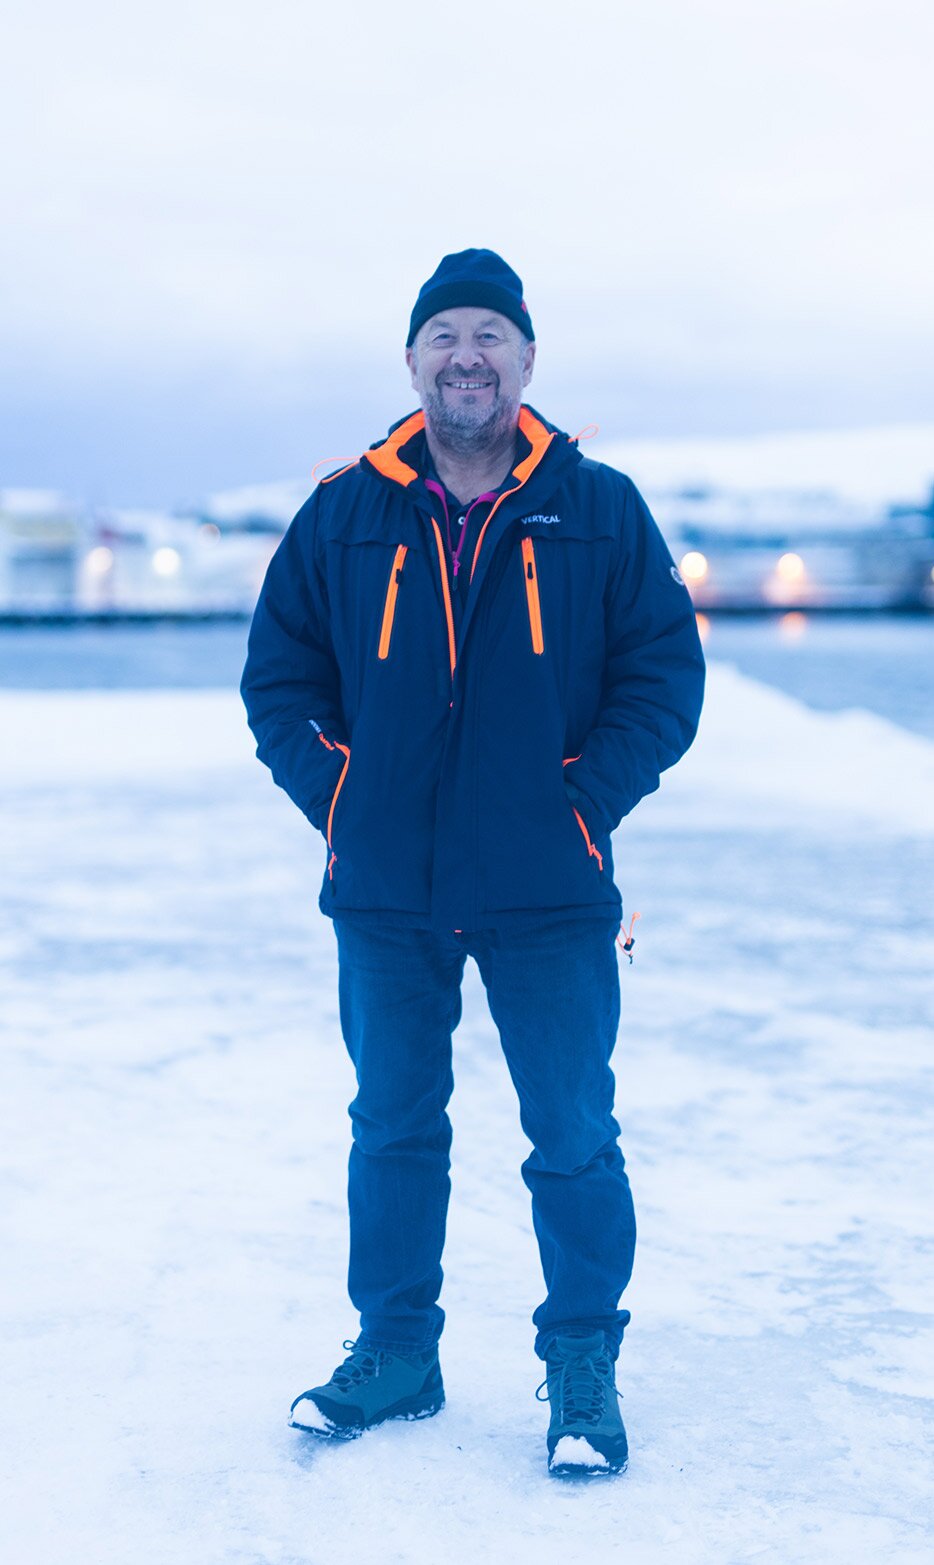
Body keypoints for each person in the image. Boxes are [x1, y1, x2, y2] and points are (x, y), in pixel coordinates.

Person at [240, 248, 705, 1477]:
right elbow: (279, 679)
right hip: (385, 887)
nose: (467, 355)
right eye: (444, 333)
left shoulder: (597, 506)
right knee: (392, 1125)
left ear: (527, 361)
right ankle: (397, 1350)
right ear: (410, 360)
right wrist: (342, 797)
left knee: (571, 1131)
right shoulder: (344, 510)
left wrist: (583, 803)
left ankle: (580, 1363)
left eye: (491, 335)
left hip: (549, 887)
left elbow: (664, 676)